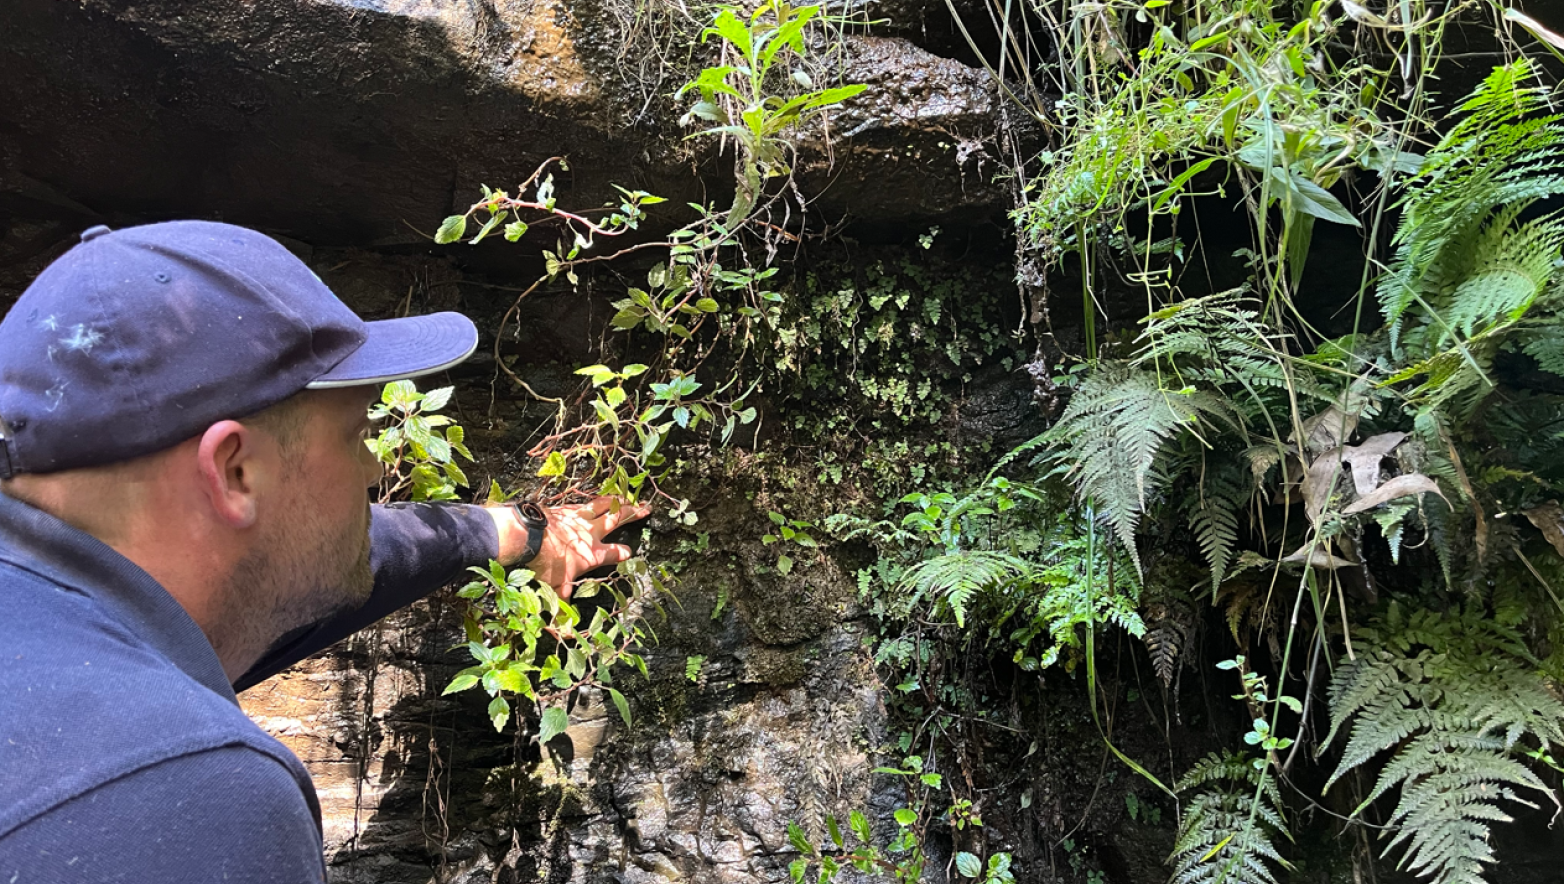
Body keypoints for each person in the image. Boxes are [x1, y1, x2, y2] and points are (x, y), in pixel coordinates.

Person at [0, 221, 647, 881]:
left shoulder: (49, 614)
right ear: (235, 471)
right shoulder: (177, 792)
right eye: (354, 433)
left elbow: (330, 555)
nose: (372, 470)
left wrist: (516, 533)